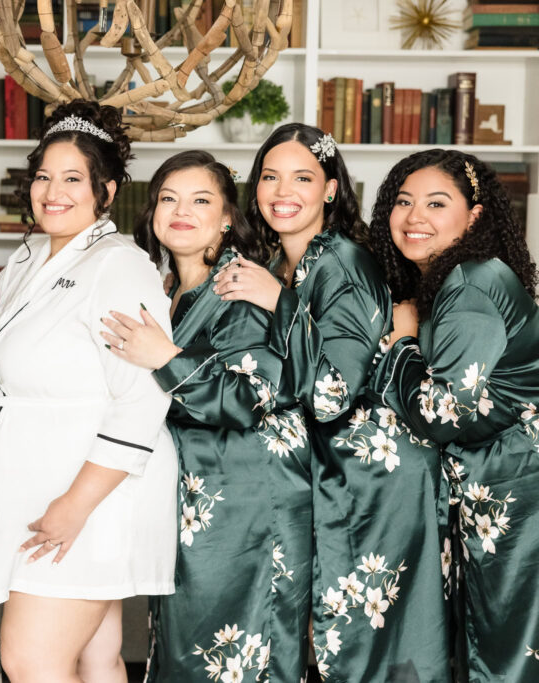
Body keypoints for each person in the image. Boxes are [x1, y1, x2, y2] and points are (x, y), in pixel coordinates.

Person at [212, 123, 449, 680]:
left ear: (331, 189)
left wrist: (280, 301)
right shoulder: (275, 262)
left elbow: (331, 392)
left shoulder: (344, 261)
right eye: (270, 177)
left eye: (302, 177)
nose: (282, 191)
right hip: (329, 474)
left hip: (377, 477)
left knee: (371, 650)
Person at [0, 100, 176, 683]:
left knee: (30, 661)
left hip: (84, 497)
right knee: (94, 658)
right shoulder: (30, 255)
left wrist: (74, 506)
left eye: (72, 179)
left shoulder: (119, 265)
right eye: (43, 177)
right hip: (36, 487)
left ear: (105, 192)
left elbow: (142, 397)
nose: (52, 192)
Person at [100, 150, 313, 681]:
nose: (181, 211)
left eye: (200, 200)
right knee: (183, 643)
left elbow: (247, 398)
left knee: (232, 650)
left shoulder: (238, 286)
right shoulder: (164, 290)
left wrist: (165, 359)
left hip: (244, 495)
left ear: (226, 218)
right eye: (168, 199)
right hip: (193, 494)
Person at [367, 150, 539, 681]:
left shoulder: (469, 282)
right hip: (502, 496)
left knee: (508, 659)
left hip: (520, 498)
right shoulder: (455, 280)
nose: (415, 217)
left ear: (476, 216)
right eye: (403, 201)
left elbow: (448, 414)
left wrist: (401, 344)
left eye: (436, 204)